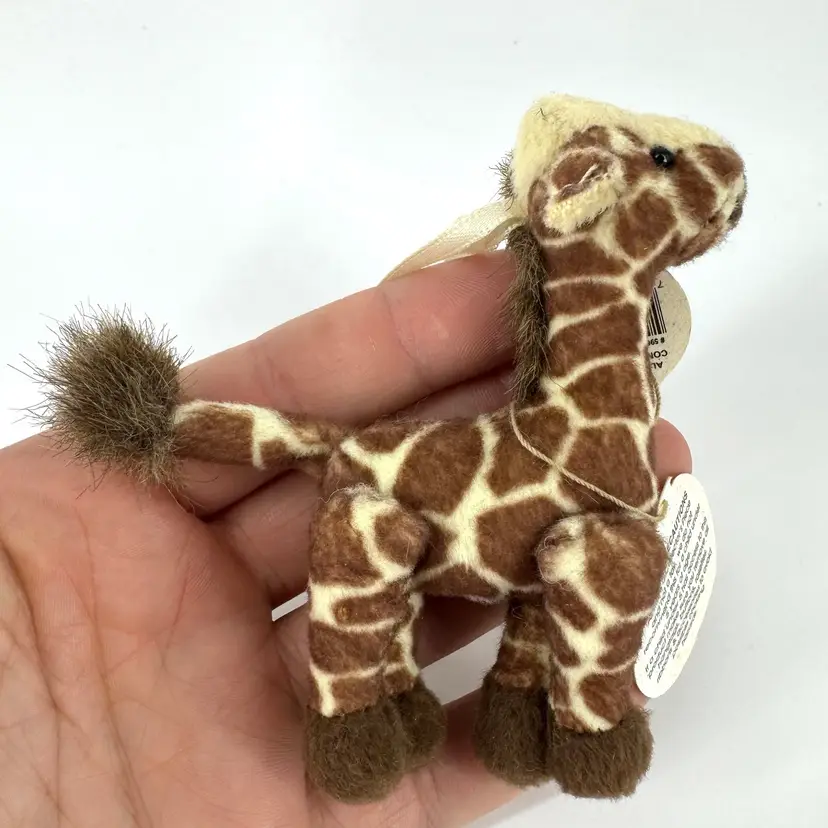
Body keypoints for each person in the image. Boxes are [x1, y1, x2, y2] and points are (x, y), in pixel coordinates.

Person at [0, 251, 691, 827]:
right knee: (368, 552)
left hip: (504, 499)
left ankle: (518, 709)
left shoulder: (590, 433)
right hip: (391, 487)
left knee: (545, 583)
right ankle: (355, 715)